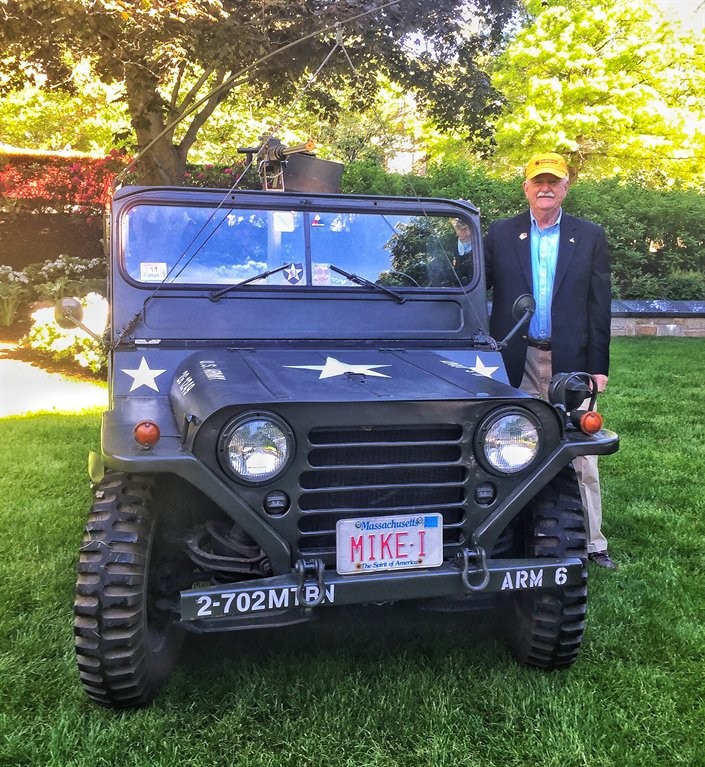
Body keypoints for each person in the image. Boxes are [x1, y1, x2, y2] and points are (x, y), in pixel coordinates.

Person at [484, 152, 616, 570]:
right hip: (514, 361)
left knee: (581, 453)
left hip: (571, 363)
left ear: (565, 188)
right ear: (525, 187)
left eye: (554, 182)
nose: (546, 188)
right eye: (538, 181)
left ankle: (594, 543)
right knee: (507, 446)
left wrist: (599, 368)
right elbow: (475, 292)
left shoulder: (589, 236)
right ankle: (508, 538)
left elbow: (600, 306)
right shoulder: (500, 234)